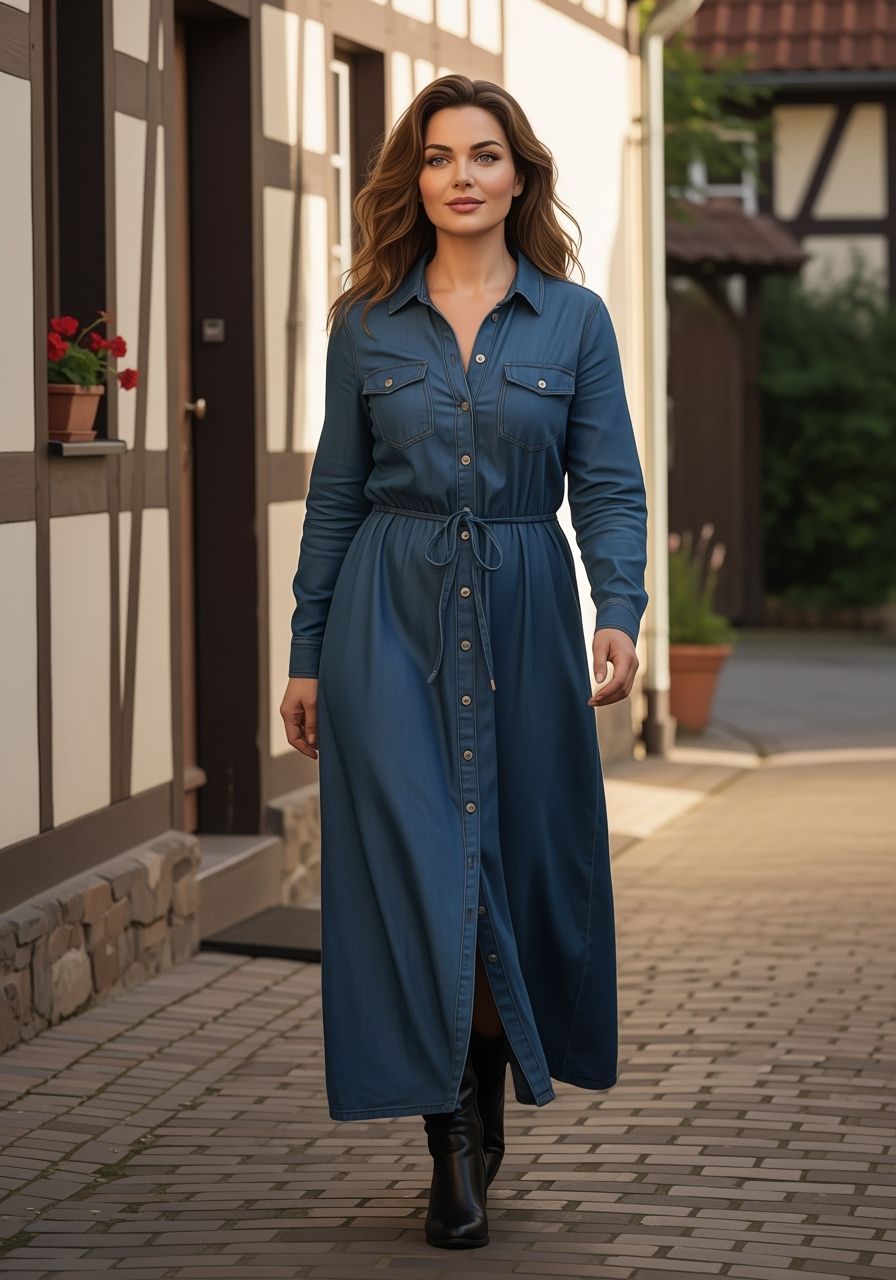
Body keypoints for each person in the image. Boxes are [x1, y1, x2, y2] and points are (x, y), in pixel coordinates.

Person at [280, 75, 648, 1249]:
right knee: (421, 870)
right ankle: (447, 1142)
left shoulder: (574, 321)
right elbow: (332, 498)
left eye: (483, 156)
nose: (460, 177)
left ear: (518, 176)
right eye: (438, 158)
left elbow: (607, 485)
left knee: (502, 868)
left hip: (526, 611)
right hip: (384, 621)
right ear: (417, 180)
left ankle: (477, 1114)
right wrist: (303, 654)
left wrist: (621, 609)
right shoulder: (365, 324)